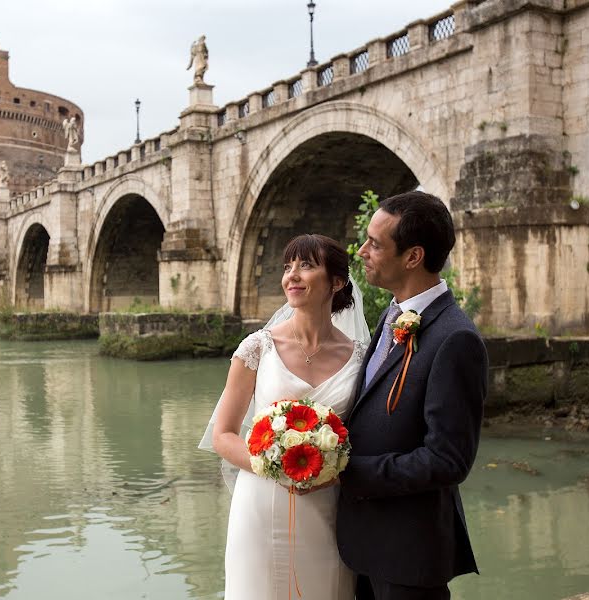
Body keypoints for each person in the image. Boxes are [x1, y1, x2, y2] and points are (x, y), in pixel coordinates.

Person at [200, 234, 370, 600]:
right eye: (287, 267)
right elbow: (223, 434)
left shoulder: (361, 358)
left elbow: (367, 436)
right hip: (260, 500)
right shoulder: (257, 347)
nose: (292, 276)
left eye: (306, 266)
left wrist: (332, 470)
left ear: (337, 282)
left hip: (329, 504)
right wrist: (274, 466)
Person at [337, 191, 488, 600]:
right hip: (364, 543)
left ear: (413, 257)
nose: (362, 251)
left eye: (375, 243)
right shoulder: (392, 312)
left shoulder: (455, 338)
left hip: (408, 551)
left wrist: (350, 472)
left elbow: (448, 460)